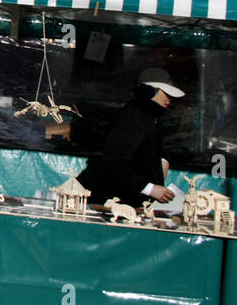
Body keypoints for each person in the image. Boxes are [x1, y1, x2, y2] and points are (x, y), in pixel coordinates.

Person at [77, 67, 181, 207]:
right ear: (148, 91)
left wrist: (162, 162)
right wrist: (150, 189)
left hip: (131, 203)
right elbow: (113, 164)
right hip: (113, 203)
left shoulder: (149, 118)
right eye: (166, 93)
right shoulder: (132, 118)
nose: (169, 99)